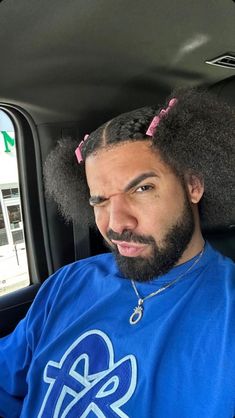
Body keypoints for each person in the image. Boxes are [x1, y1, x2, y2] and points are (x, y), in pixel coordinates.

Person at [0, 88, 234, 418]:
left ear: (193, 185)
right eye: (100, 201)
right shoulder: (68, 283)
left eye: (142, 188)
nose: (116, 224)